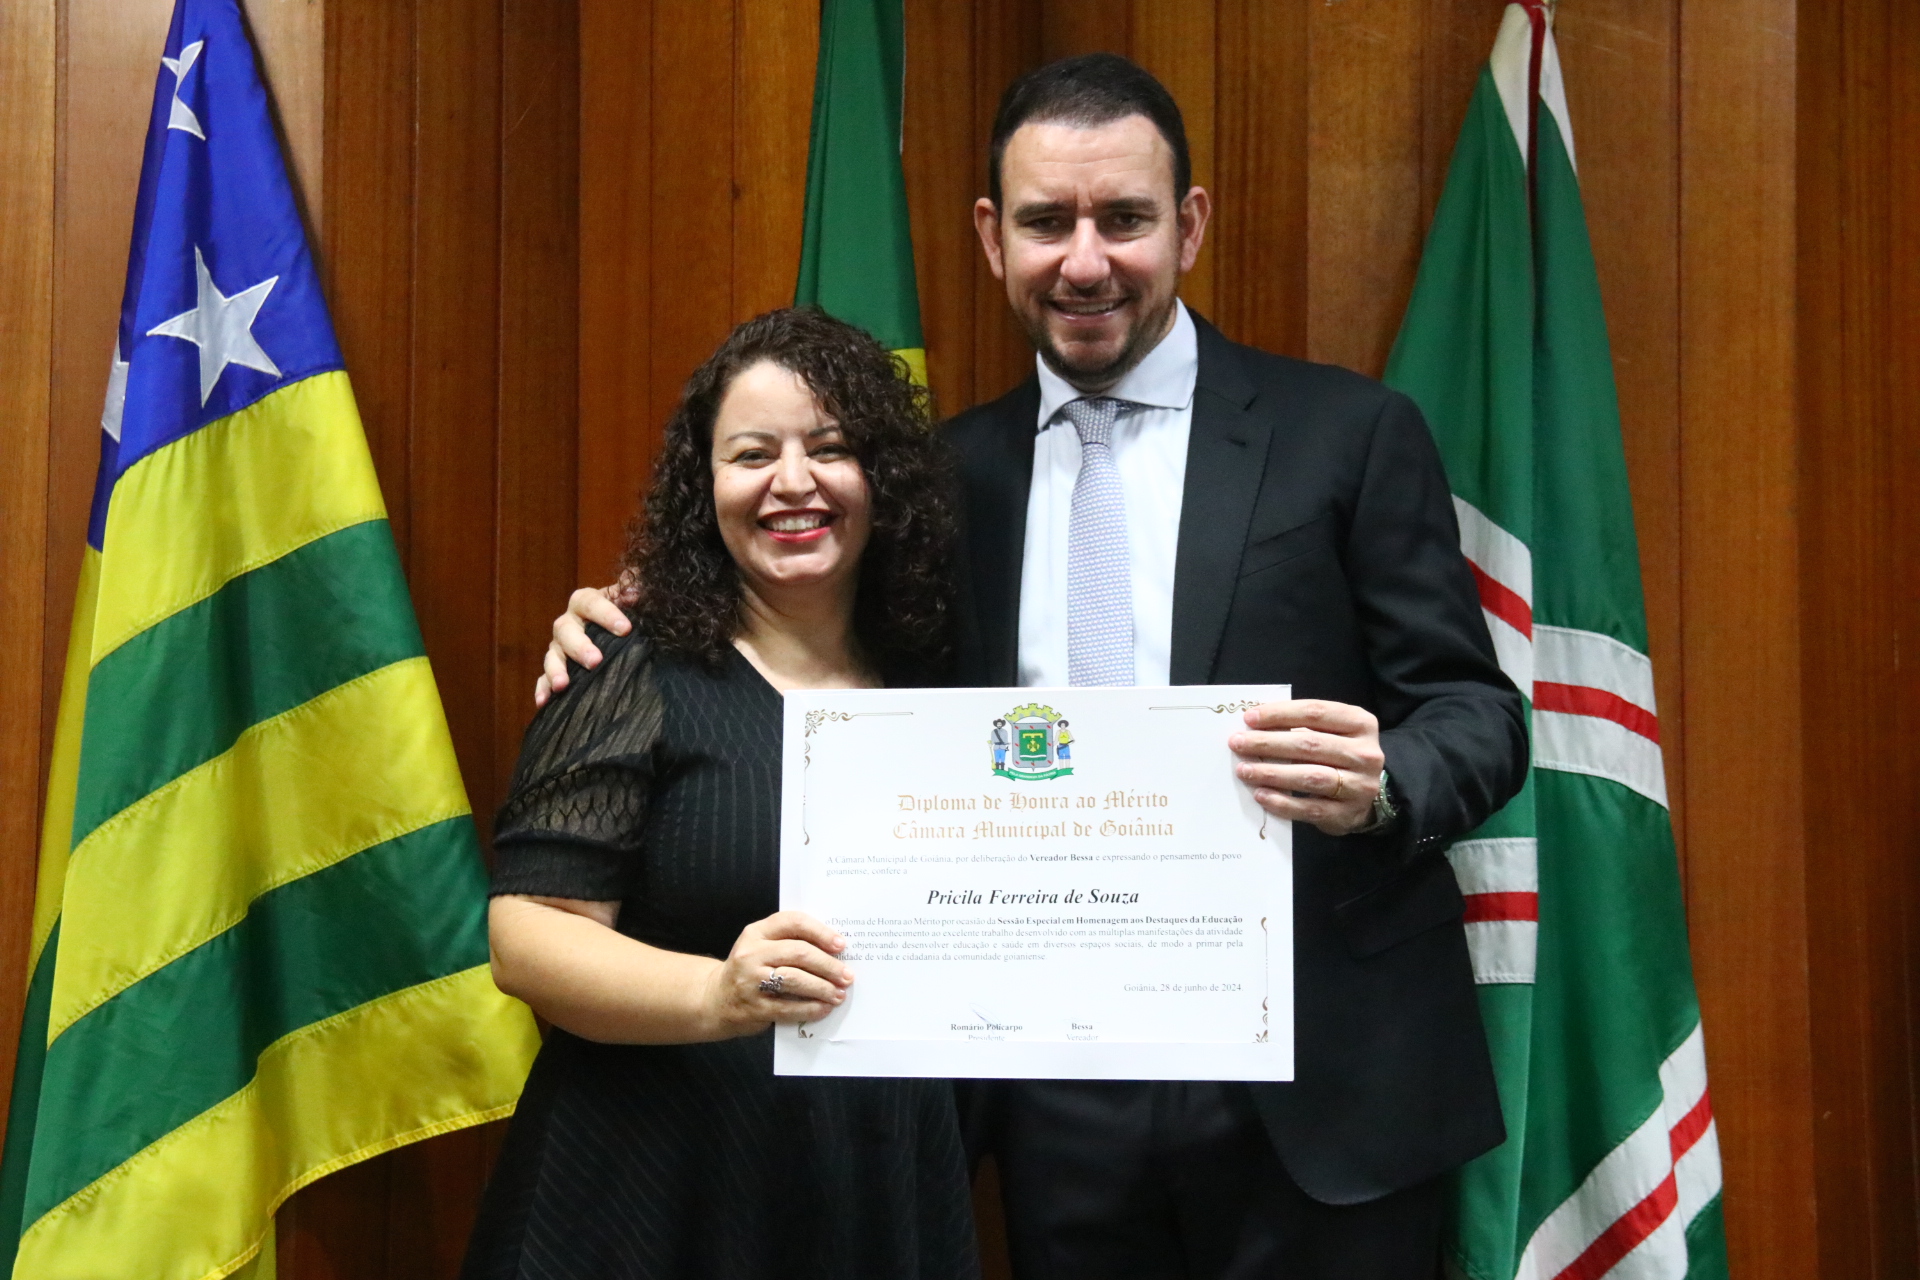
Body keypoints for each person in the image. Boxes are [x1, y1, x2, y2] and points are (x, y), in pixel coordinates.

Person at [542, 53, 1525, 1280]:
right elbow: (802, 623)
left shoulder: (1349, 434)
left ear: (1190, 226)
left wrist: (1384, 780)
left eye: (1125, 220)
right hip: (1051, 1089)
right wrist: (623, 619)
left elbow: (1478, 714)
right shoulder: (936, 483)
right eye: (1049, 222)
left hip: (1319, 1081)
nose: (1086, 261)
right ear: (991, 237)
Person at [464, 308, 978, 1280]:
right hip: (655, 1187)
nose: (793, 481)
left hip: (870, 1178)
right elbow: (525, 938)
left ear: (883, 477)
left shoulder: (932, 674)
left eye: (831, 448)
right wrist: (718, 993)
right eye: (752, 454)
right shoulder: (628, 660)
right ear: (705, 487)